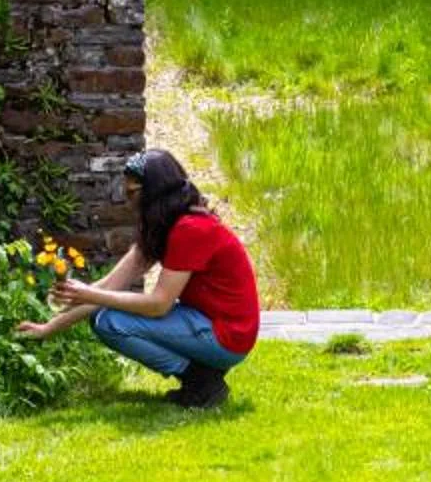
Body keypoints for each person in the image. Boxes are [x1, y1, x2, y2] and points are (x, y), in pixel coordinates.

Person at [17, 147, 261, 408]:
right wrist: (48, 328)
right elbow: (109, 285)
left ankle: (201, 382)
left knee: (110, 322)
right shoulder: (163, 227)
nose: (127, 201)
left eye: (132, 193)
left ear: (154, 192)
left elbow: (159, 305)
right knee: (106, 318)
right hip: (205, 321)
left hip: (229, 336)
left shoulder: (190, 229)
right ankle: (202, 379)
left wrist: (90, 295)